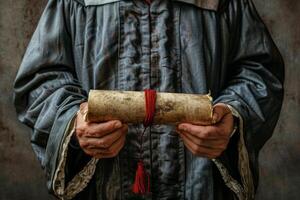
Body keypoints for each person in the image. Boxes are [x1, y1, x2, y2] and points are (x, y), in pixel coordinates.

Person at [13, 0, 284, 199]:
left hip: (199, 185)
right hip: (106, 187)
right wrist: (74, 122)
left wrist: (232, 115)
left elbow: (259, 71)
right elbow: (41, 80)